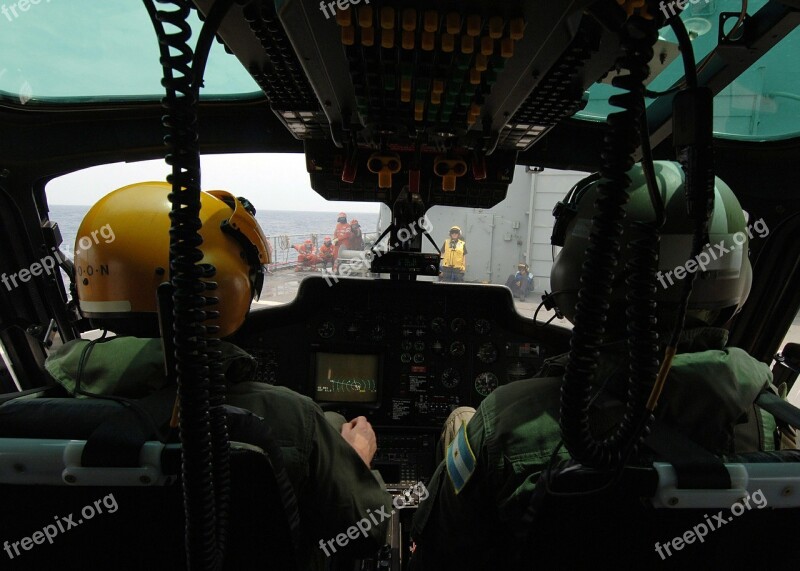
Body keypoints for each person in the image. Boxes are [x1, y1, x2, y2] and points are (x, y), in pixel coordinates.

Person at [410, 162, 797, 569]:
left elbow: (436, 556)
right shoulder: (777, 424)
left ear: (578, 275)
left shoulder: (507, 420)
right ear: (736, 286)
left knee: (462, 420)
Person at [43, 182, 391, 569]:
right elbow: (366, 532)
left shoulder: (32, 413)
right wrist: (356, 459)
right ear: (224, 284)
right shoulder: (290, 418)